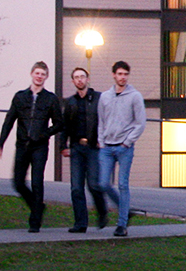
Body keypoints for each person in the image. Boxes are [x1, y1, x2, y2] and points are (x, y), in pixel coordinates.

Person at [0, 61, 63, 232]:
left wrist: (44, 134)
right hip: (22, 145)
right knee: (18, 183)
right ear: (32, 74)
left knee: (37, 182)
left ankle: (35, 222)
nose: (39, 76)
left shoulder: (51, 99)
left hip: (40, 147)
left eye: (42, 74)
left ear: (46, 77)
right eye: (37, 73)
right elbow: (9, 121)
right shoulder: (20, 97)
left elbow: (59, 123)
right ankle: (37, 206)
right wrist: (0, 143)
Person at [96, 60, 145, 237]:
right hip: (106, 148)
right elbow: (101, 121)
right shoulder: (105, 97)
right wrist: (101, 141)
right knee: (103, 183)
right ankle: (125, 209)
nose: (123, 77)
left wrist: (127, 142)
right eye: (120, 74)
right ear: (114, 75)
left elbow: (140, 123)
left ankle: (122, 224)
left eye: (125, 74)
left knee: (123, 184)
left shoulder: (135, 96)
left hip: (124, 148)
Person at [59, 66, 106, 233]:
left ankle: (102, 212)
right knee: (76, 188)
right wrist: (63, 146)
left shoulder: (99, 98)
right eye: (76, 77)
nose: (80, 80)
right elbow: (64, 126)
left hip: (93, 147)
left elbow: (106, 119)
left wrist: (103, 140)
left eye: (82, 76)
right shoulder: (70, 102)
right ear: (73, 81)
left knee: (93, 184)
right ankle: (80, 223)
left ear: (88, 79)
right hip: (76, 148)